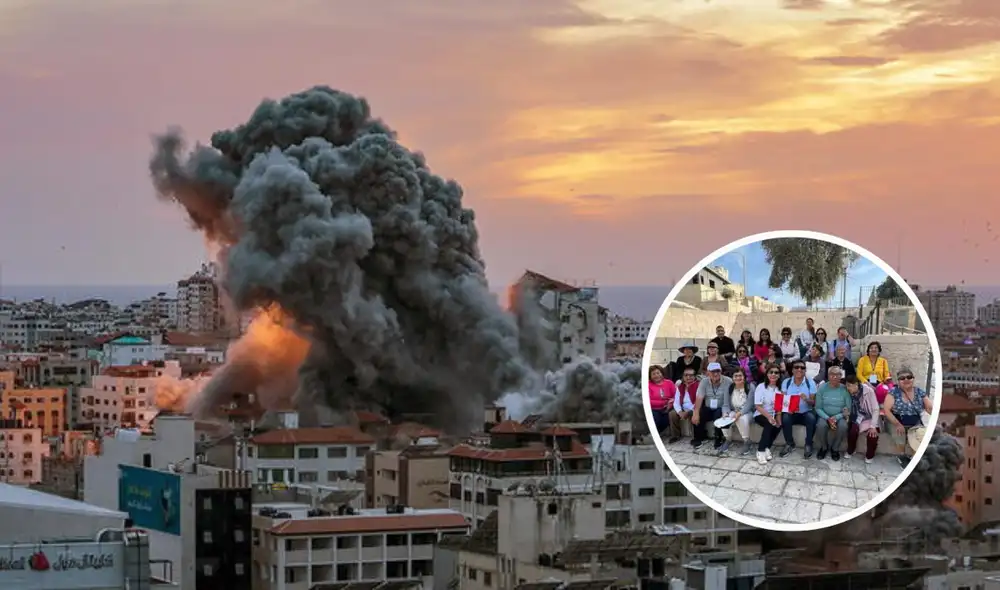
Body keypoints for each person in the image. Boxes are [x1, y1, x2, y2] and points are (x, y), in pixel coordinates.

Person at [883, 366, 933, 468]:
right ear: (898, 381)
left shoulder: (919, 392)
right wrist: (897, 424)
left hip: (914, 423)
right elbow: (886, 410)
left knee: (919, 437)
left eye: (909, 377)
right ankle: (901, 456)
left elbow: (929, 408)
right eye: (902, 378)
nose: (906, 380)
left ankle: (914, 459)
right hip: (896, 421)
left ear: (913, 378)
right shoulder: (893, 392)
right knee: (900, 436)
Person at [778, 360, 818, 459]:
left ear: (805, 370)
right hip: (792, 412)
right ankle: (790, 443)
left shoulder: (810, 382)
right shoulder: (786, 382)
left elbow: (814, 403)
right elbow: (782, 401)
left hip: (806, 412)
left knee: (811, 418)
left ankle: (808, 444)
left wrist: (807, 399)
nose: (799, 369)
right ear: (792, 370)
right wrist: (787, 409)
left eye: (802, 368)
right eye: (796, 367)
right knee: (785, 417)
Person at [813, 367, 851, 461]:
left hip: (840, 416)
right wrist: (828, 418)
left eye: (837, 375)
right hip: (824, 415)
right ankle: (824, 447)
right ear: (828, 376)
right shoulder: (822, 389)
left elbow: (848, 408)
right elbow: (818, 408)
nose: (834, 377)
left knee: (843, 426)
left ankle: (835, 448)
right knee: (820, 425)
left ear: (841, 376)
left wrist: (837, 417)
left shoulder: (845, 389)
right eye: (832, 374)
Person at [692, 362, 733, 450]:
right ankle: (699, 437)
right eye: (712, 371)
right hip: (708, 407)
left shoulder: (728, 381)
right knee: (699, 412)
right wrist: (695, 413)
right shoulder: (704, 381)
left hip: (722, 408)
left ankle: (718, 439)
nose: (715, 374)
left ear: (721, 371)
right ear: (708, 373)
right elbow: (699, 397)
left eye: (718, 371)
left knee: (718, 414)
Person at [845, 374, 880, 463]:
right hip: (858, 416)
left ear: (856, 384)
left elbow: (876, 409)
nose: (848, 388)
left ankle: (870, 456)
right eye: (847, 386)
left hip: (870, 416)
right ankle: (851, 450)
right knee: (852, 431)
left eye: (849, 386)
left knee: (872, 435)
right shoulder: (850, 393)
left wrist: (873, 426)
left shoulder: (869, 391)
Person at [753, 363, 783, 464]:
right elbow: (758, 406)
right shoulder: (761, 387)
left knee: (778, 425)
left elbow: (779, 407)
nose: (773, 374)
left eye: (776, 372)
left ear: (779, 375)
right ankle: (760, 451)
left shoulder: (780, 389)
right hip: (760, 414)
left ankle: (767, 447)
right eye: (771, 372)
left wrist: (778, 418)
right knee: (769, 423)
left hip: (774, 414)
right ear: (767, 374)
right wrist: (769, 417)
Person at [723, 369, 755, 456]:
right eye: (735, 376)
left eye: (740, 375)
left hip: (748, 412)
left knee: (742, 419)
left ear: (744, 377)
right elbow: (725, 405)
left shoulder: (750, 387)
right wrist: (725, 412)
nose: (738, 378)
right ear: (732, 378)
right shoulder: (729, 388)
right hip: (734, 411)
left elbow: (749, 404)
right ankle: (728, 439)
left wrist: (740, 413)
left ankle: (747, 441)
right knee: (725, 418)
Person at [648, 365, 680, 440]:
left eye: (658, 373)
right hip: (654, 409)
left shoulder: (669, 383)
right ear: (650, 376)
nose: (656, 375)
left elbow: (677, 396)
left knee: (668, 418)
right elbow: (648, 400)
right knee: (656, 418)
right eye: (653, 374)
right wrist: (663, 403)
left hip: (668, 408)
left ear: (662, 373)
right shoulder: (648, 385)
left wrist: (671, 402)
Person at [672, 367, 700, 444]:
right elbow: (676, 401)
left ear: (695, 376)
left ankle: (696, 437)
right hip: (683, 408)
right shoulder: (680, 386)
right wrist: (680, 412)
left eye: (691, 375)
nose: (688, 377)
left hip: (694, 408)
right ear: (683, 377)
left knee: (694, 413)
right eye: (686, 375)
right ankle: (676, 435)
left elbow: (698, 401)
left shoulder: (699, 385)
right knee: (672, 414)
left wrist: (688, 412)